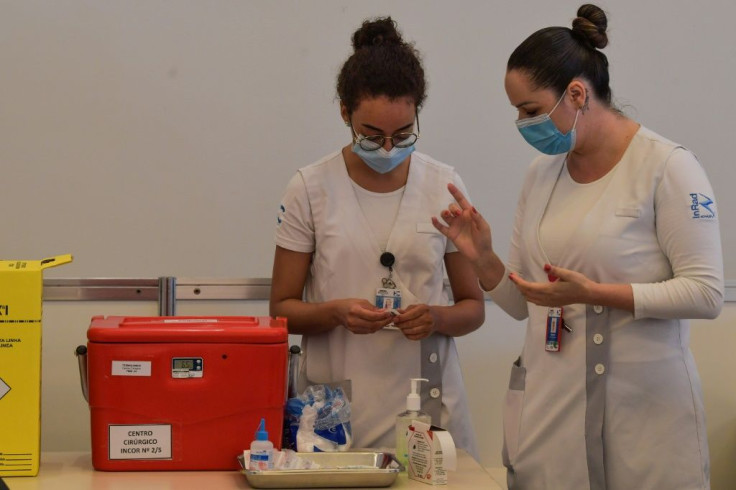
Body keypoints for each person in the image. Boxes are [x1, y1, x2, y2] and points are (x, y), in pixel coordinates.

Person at [432, 4, 723, 489]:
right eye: (517, 112)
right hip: (554, 416)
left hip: (646, 421)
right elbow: (526, 304)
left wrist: (594, 294)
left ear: (576, 93)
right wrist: (481, 258)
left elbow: (706, 294)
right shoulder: (541, 176)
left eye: (530, 110)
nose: (523, 124)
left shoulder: (668, 167)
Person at [270, 17, 484, 457]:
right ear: (345, 113)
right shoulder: (310, 188)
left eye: (403, 134)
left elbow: (473, 308)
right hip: (335, 416)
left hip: (428, 408)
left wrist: (437, 319)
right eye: (372, 135)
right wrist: (336, 313)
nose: (388, 148)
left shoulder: (443, 185)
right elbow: (282, 311)